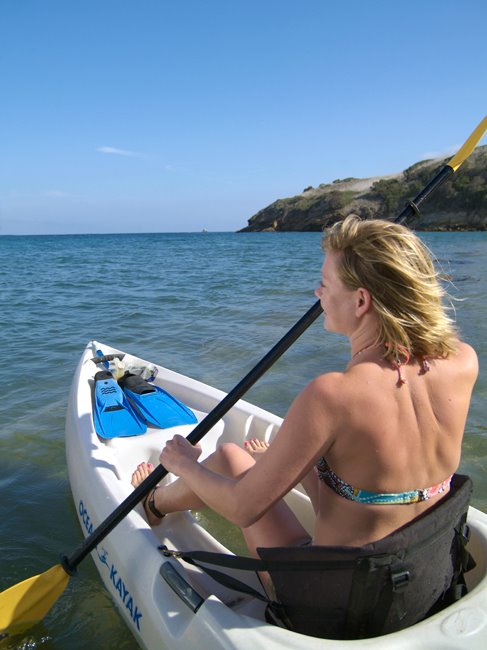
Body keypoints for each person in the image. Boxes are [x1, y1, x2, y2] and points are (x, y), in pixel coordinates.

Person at [132, 215, 478, 635]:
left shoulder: (333, 395)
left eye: (326, 285)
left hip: (340, 608)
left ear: (362, 301)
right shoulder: (463, 360)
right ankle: (284, 472)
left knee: (226, 459)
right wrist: (312, 473)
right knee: (286, 468)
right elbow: (384, 487)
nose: (318, 293)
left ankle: (152, 504)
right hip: (422, 584)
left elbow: (244, 507)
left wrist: (184, 462)